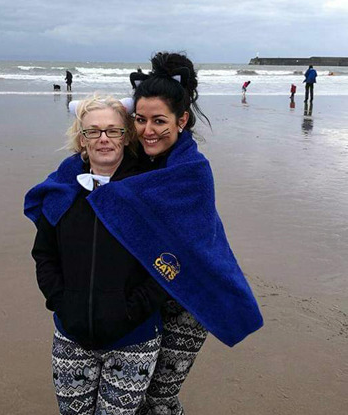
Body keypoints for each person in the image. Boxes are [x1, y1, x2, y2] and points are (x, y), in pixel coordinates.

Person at [110, 52, 261, 414]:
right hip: (145, 297)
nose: (148, 130)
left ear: (182, 120)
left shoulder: (192, 170)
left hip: (189, 299)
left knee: (159, 397)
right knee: (132, 394)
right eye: (140, 119)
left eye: (160, 120)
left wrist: (101, 191)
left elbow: (194, 244)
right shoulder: (134, 161)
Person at [24, 95, 168, 415]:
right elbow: (44, 255)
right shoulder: (62, 192)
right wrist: (62, 303)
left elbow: (168, 263)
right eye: (93, 132)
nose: (103, 139)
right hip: (71, 337)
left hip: (134, 340)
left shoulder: (150, 191)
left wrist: (131, 311)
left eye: (113, 131)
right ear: (81, 139)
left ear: (126, 136)